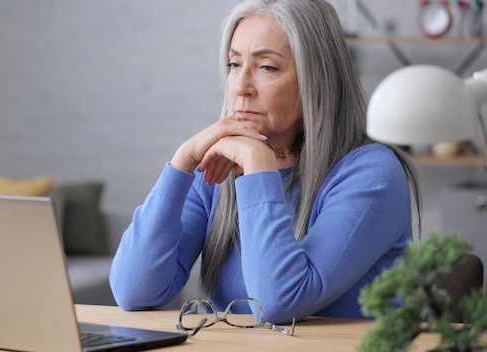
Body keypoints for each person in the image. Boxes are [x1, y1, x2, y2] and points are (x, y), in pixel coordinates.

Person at [109, 0, 422, 325]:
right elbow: (134, 291)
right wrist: (181, 164)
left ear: (319, 79)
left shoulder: (373, 173)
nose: (241, 87)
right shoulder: (219, 165)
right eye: (233, 64)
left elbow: (278, 302)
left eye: (267, 67)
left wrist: (259, 169)